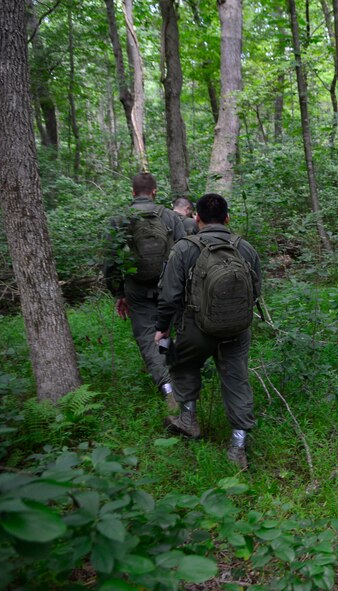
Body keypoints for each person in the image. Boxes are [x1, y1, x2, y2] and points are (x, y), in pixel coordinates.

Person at [154, 193, 262, 469]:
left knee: (182, 364)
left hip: (194, 327)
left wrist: (162, 328)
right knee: (236, 378)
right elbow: (256, 291)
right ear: (227, 218)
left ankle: (188, 419)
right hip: (237, 328)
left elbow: (169, 296)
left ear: (197, 218)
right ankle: (237, 445)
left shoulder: (184, 248)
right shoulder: (245, 248)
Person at [104, 172, 185, 408]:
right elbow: (184, 251)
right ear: (155, 191)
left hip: (137, 288)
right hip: (170, 285)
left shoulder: (120, 220)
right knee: (169, 328)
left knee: (148, 336)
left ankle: (168, 387)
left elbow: (110, 261)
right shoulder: (170, 217)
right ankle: (178, 377)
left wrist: (118, 293)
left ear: (132, 192)